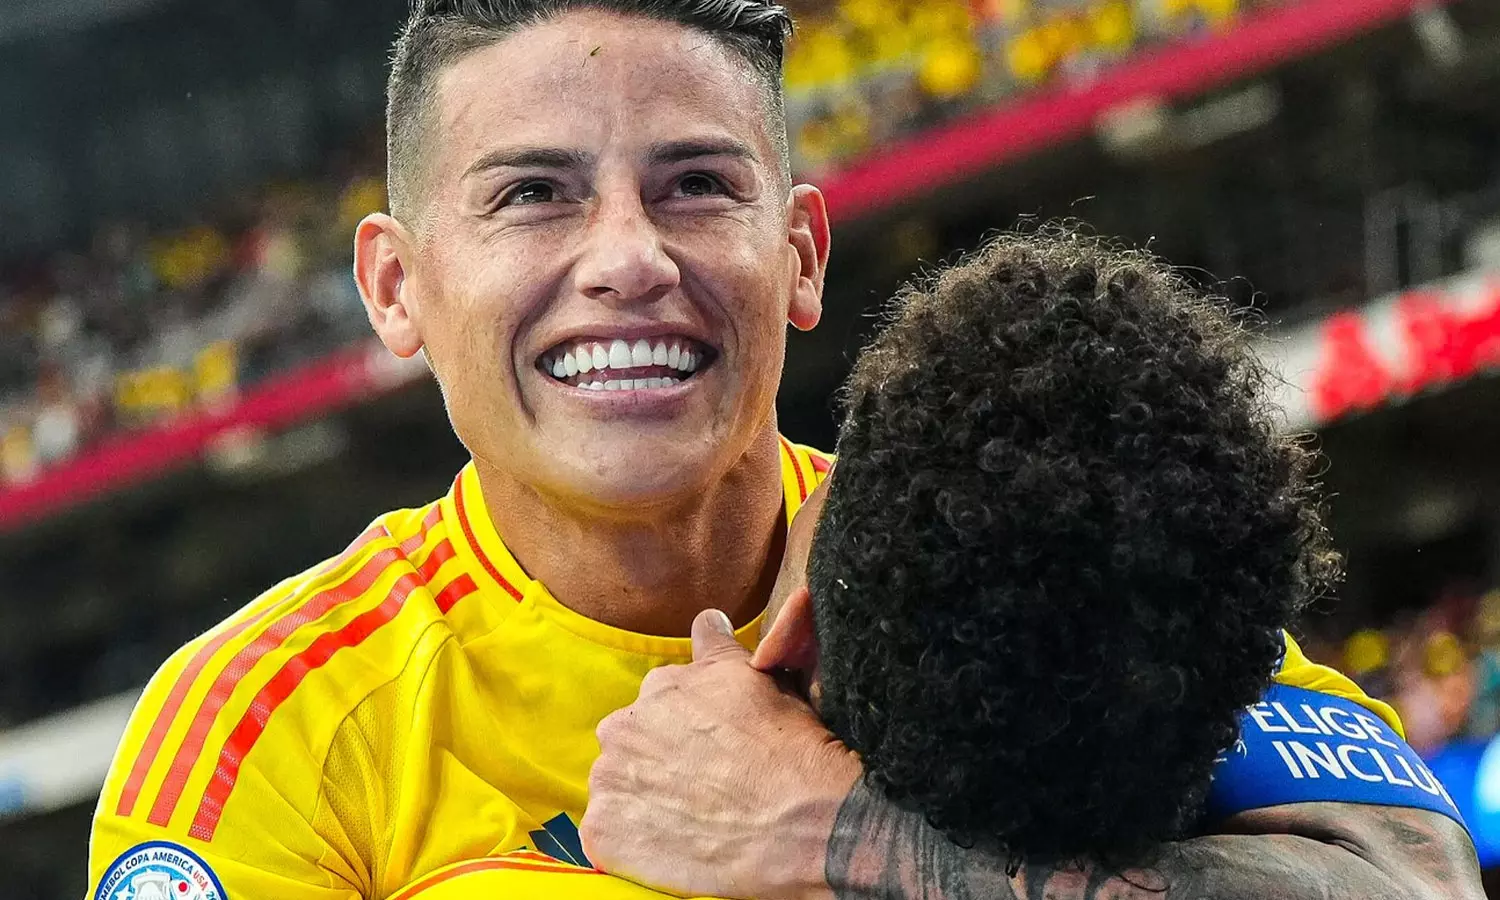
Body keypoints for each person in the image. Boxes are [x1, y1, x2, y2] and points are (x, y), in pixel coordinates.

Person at [84, 2, 1477, 899]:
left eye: (697, 185)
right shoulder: (265, 733)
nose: (629, 257)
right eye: (533, 195)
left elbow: (1413, 880)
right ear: (397, 288)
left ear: (800, 253)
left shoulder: (1013, 539)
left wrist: (830, 834)